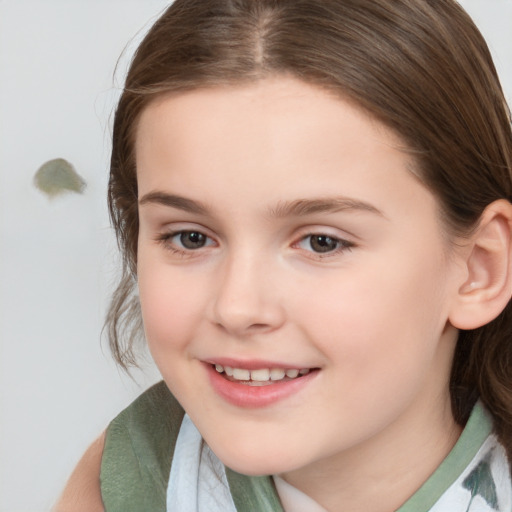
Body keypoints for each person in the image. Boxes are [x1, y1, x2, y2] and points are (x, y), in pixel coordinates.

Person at [55, 0, 512, 510]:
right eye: (190, 237)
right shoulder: (131, 480)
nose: (238, 307)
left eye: (322, 242)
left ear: (479, 269)